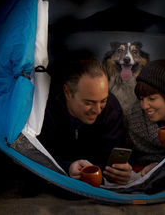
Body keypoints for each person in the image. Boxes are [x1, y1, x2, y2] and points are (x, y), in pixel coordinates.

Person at [37, 54, 132, 185]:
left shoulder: (111, 108)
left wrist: (120, 172)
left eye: (103, 100)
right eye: (89, 103)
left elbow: (112, 155)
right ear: (68, 93)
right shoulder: (44, 110)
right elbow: (37, 157)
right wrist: (67, 167)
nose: (98, 110)